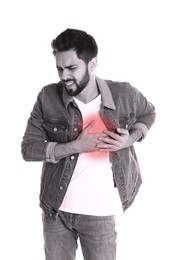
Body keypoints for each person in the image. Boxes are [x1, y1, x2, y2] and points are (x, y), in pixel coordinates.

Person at [21, 28, 156, 260]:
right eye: (59, 68)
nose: (64, 76)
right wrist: (76, 145)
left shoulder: (123, 94)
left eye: (72, 68)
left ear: (92, 64)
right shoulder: (48, 96)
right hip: (56, 212)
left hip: (99, 215)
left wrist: (130, 139)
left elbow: (149, 113)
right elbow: (28, 149)